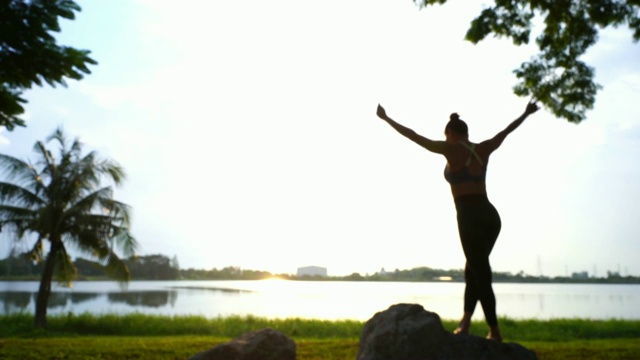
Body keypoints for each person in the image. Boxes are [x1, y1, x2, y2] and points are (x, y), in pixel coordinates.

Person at [375, 101, 539, 342]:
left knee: (480, 272)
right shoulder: (483, 148)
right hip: (491, 216)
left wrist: (387, 119)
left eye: (447, 135)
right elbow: (506, 131)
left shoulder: (450, 149)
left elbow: (414, 136)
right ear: (467, 132)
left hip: (469, 216)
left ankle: (494, 331)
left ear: (450, 133)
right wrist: (525, 113)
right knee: (473, 269)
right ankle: (466, 321)